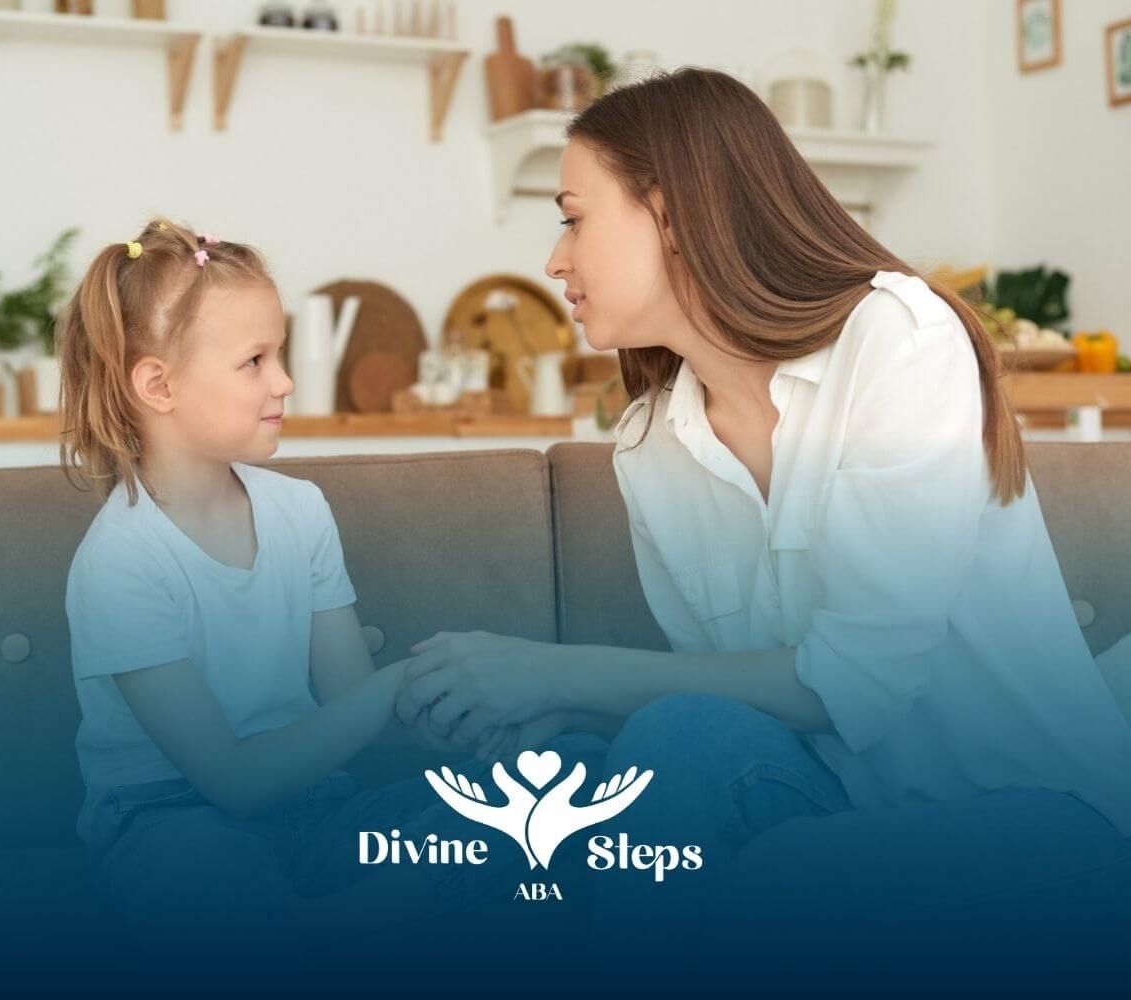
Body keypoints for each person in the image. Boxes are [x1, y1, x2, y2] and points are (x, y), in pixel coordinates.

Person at [394, 70, 1131, 968]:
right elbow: (726, 704)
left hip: (1045, 816)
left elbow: (857, 683)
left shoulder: (899, 341)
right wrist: (548, 710)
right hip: (841, 799)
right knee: (611, 765)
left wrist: (554, 672)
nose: (554, 261)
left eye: (573, 218)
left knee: (782, 871)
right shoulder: (651, 444)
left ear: (670, 213)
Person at [57, 220, 606, 977]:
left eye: (279, 354)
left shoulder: (300, 510)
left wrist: (471, 721)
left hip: (320, 809)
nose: (285, 382)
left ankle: (328, 935)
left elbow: (353, 707)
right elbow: (234, 782)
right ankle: (350, 934)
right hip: (168, 821)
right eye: (254, 361)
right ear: (158, 386)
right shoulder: (121, 560)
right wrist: (398, 682)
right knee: (202, 880)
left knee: (567, 781)